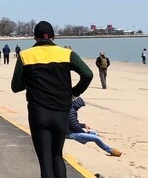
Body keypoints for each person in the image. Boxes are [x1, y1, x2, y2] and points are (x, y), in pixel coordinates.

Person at [12, 20, 94, 178]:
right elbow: (88, 74)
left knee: (45, 160)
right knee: (57, 155)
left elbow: (16, 86)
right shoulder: (66, 53)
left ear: (35, 38)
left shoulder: (25, 55)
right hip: (61, 112)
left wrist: (32, 79)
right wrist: (74, 94)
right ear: (53, 37)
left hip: (39, 113)